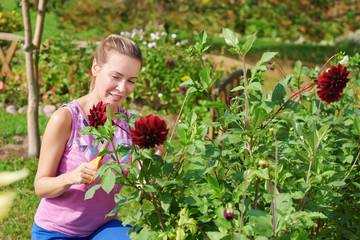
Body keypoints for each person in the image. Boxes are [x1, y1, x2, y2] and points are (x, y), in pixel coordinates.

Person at [32, 34, 144, 239]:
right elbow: (40, 186)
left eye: (131, 81)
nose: (122, 88)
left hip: (103, 228)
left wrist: (154, 160)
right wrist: (70, 177)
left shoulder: (129, 125)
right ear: (95, 68)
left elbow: (139, 183)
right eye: (116, 77)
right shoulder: (66, 118)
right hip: (56, 230)